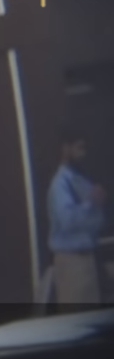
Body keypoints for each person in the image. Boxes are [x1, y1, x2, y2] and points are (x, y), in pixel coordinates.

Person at [47, 129, 106, 306]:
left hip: (89, 260)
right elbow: (67, 220)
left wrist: (97, 206)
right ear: (66, 148)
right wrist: (91, 203)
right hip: (71, 261)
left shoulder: (81, 180)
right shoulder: (60, 184)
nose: (83, 154)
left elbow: (97, 220)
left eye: (84, 148)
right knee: (77, 313)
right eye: (79, 148)